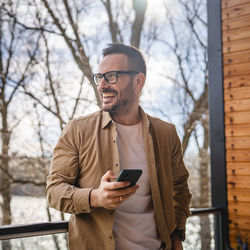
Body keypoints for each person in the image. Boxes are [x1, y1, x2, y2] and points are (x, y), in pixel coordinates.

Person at [46, 43, 192, 250]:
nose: (102, 85)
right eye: (99, 77)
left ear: (138, 81)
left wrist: (177, 234)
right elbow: (53, 191)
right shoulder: (77, 130)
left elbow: (180, 189)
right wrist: (95, 197)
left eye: (112, 76)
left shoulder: (166, 133)